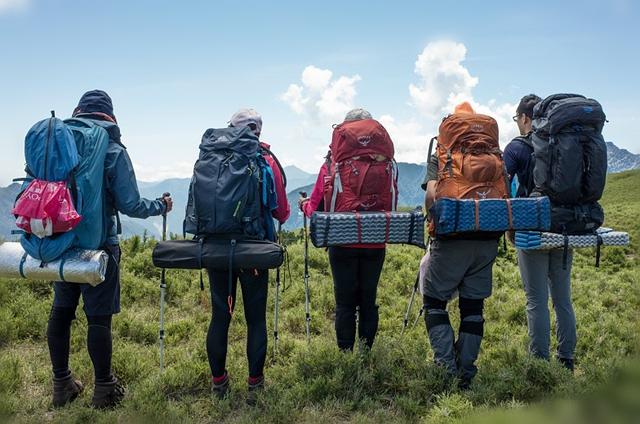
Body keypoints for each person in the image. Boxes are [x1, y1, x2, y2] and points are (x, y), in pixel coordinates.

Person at [47, 90, 173, 408]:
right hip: (99, 245)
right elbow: (130, 203)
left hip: (59, 239)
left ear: (78, 112)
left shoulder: (59, 145)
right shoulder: (112, 148)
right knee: (98, 319)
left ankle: (62, 385)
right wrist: (161, 205)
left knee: (61, 312)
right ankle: (104, 390)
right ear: (110, 116)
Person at [207, 108, 290, 399]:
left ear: (229, 127)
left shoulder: (212, 154)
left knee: (220, 316)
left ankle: (219, 382)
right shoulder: (265, 159)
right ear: (258, 130)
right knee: (256, 319)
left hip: (216, 249)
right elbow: (282, 211)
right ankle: (255, 383)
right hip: (254, 250)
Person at [420, 102, 501, 389]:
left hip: (452, 238)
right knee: (473, 306)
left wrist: (432, 219)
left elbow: (432, 195)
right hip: (488, 237)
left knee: (434, 301)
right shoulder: (492, 152)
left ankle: (445, 368)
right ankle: (466, 371)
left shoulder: (443, 153)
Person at [299, 108, 389, 352]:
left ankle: (345, 354)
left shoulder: (332, 164)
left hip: (342, 240)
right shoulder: (385, 162)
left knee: (345, 302)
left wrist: (304, 205)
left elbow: (316, 207)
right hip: (376, 240)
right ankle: (366, 352)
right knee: (368, 301)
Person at [504, 94, 576, 371]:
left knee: (536, 300)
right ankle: (567, 358)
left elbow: (503, 188)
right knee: (562, 298)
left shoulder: (516, 148)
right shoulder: (562, 143)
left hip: (532, 230)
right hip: (565, 226)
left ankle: (540, 361)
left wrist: (509, 227)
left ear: (524, 118)